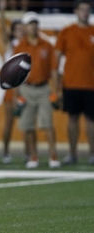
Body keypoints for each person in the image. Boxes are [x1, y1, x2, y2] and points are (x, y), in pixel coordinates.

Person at [13, 11, 61, 169]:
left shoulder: (46, 45)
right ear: (25, 27)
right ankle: (33, 156)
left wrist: (56, 89)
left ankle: (53, 155)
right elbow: (14, 72)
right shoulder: (20, 46)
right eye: (30, 24)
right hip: (26, 88)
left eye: (35, 23)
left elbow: (53, 69)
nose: (33, 27)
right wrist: (16, 93)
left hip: (43, 87)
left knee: (47, 124)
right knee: (28, 126)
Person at [55, 0, 94, 165]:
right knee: (72, 119)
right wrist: (57, 84)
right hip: (71, 82)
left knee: (91, 120)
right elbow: (56, 59)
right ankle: (72, 153)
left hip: (91, 83)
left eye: (87, 10)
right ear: (76, 11)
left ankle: (92, 153)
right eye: (82, 10)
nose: (85, 13)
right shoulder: (67, 32)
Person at [0, 0, 25, 164]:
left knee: (27, 123)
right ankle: (5, 152)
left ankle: (29, 153)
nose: (21, 32)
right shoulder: (12, 44)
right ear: (13, 31)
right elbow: (2, 31)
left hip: (26, 85)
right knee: (9, 122)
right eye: (18, 29)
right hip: (12, 86)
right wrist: (2, 12)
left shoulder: (28, 44)